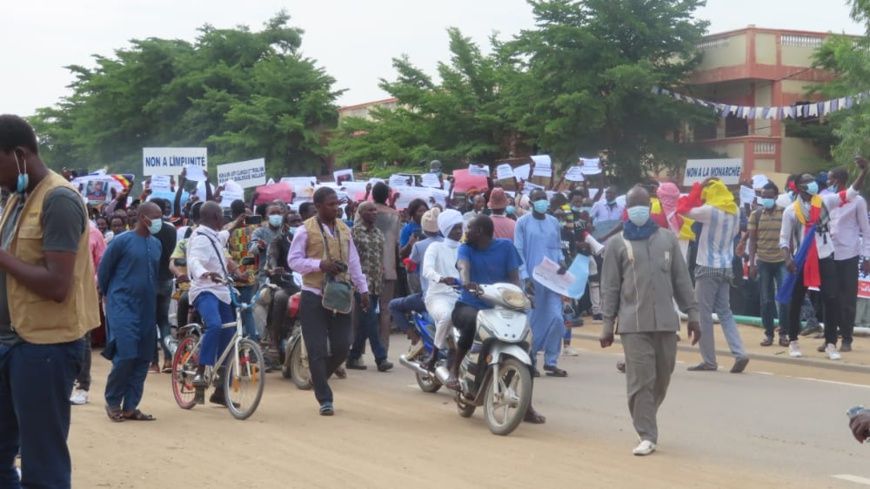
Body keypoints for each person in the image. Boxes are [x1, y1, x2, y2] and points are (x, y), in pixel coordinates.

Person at [0, 115, 100, 488]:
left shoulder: (58, 200)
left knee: (43, 465)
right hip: (11, 341)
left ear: (20, 154)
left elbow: (57, 284)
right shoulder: (17, 197)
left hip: (44, 348)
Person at [599, 186, 701, 456]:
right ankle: (647, 433)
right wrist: (607, 324)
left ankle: (646, 415)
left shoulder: (667, 239)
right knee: (641, 380)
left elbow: (681, 280)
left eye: (643, 204)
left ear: (651, 206)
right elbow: (610, 287)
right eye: (634, 205)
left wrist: (693, 314)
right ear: (627, 210)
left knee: (662, 377)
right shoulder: (616, 244)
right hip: (633, 324)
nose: (639, 209)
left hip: (667, 322)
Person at [453, 215, 546, 423]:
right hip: (471, 304)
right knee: (470, 324)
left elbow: (514, 277)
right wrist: (467, 283)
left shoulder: (506, 247)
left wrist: (521, 296)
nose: (466, 231)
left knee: (525, 346)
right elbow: (463, 267)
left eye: (471, 228)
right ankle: (454, 370)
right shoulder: (466, 248)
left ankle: (527, 406)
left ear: (483, 232)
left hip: (501, 305)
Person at [288, 187, 370, 415]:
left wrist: (363, 290)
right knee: (316, 349)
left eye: (337, 204)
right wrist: (319, 265)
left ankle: (319, 377)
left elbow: (353, 262)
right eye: (331, 204)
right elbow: (293, 261)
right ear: (318, 206)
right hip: (313, 293)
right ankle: (325, 398)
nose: (336, 208)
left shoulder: (344, 229)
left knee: (343, 346)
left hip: (340, 293)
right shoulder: (305, 230)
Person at [778, 163, 868, 359]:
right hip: (801, 259)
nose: (812, 185)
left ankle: (830, 344)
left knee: (832, 299)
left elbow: (850, 193)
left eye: (813, 182)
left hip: (825, 256)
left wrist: (863, 172)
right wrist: (788, 259)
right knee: (796, 300)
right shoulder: (791, 211)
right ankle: (793, 341)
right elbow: (784, 240)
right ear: (799, 187)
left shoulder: (825, 202)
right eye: (807, 182)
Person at [99, 202, 163, 422]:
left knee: (144, 358)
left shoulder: (156, 244)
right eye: (156, 217)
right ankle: (113, 401)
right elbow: (104, 270)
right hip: (122, 305)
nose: (159, 222)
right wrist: (109, 296)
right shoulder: (121, 241)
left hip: (147, 308)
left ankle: (130, 406)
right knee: (126, 354)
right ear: (143, 217)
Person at [677, 178, 748, 373]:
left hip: (707, 267)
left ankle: (709, 360)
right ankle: (740, 352)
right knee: (725, 312)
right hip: (726, 267)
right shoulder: (735, 211)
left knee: (703, 315)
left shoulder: (709, 211)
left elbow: (682, 208)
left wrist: (696, 190)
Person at [188, 202, 243, 406]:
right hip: (205, 290)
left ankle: (221, 390)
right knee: (214, 325)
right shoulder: (201, 239)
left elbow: (225, 234)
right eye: (222, 215)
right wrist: (205, 273)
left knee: (229, 337)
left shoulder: (214, 235)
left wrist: (237, 223)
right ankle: (200, 373)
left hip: (222, 292)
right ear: (214, 217)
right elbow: (194, 260)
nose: (224, 219)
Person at [515, 189, 567, 377]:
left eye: (544, 198)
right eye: (538, 199)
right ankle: (530, 359)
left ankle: (551, 361)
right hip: (532, 279)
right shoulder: (522, 223)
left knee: (557, 319)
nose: (542, 202)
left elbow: (558, 247)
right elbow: (518, 250)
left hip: (552, 279)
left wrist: (562, 263)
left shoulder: (553, 222)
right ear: (531, 203)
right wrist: (524, 276)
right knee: (532, 322)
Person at [821, 166, 870, 353]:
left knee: (847, 300)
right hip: (829, 254)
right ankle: (830, 339)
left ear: (838, 180)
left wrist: (867, 257)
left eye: (830, 179)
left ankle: (847, 339)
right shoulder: (826, 200)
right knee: (829, 298)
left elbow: (866, 231)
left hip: (850, 254)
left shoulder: (858, 201)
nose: (828, 183)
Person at [348, 202, 393, 372]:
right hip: (360, 283)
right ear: (361, 213)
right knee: (371, 319)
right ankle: (380, 358)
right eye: (370, 210)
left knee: (366, 322)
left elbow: (380, 257)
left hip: (375, 282)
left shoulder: (378, 233)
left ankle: (353, 356)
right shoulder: (354, 233)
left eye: (375, 210)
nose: (375, 213)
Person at [389, 209, 441, 346]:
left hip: (427, 296)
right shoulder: (449, 244)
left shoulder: (419, 245)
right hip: (448, 295)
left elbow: (410, 267)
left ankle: (414, 338)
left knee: (393, 305)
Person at [747, 182, 789, 347]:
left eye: (769, 197)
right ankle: (769, 334)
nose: (766, 199)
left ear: (776, 197)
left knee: (784, 299)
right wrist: (752, 263)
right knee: (766, 300)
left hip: (782, 261)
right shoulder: (755, 214)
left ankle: (784, 333)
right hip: (763, 261)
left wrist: (790, 259)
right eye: (763, 197)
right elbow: (752, 240)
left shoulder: (785, 213)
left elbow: (790, 237)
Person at [71, 220, 108, 406]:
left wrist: (93, 283)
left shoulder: (94, 234)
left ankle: (82, 387)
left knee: (83, 340)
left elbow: (102, 264)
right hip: (60, 294)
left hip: (86, 293)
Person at [422, 209, 464, 370]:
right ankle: (434, 354)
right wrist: (441, 278)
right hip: (438, 297)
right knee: (447, 316)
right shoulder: (436, 247)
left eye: (460, 227)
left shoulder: (465, 249)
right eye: (455, 228)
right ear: (446, 229)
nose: (459, 231)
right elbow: (427, 270)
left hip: (461, 297)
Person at [149, 198, 177, 373]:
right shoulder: (171, 229)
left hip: (150, 280)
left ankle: (153, 363)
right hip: (166, 279)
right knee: (164, 320)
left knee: (150, 322)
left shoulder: (148, 229)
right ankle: (168, 360)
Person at [371, 182, 400, 350]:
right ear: (387, 196)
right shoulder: (395, 215)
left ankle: (356, 348)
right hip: (389, 267)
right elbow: (396, 241)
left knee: (362, 309)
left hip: (368, 268)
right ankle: (383, 349)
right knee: (385, 310)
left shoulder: (365, 210)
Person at [226, 199, 258, 342]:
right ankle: (252, 342)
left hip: (233, 275)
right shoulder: (255, 228)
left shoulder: (227, 229)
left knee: (233, 314)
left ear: (232, 212)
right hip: (250, 275)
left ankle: (235, 343)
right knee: (247, 311)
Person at [251, 203, 285, 289]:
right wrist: (259, 246)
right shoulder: (259, 232)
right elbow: (252, 249)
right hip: (265, 277)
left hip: (286, 276)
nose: (276, 215)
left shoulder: (287, 231)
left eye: (278, 213)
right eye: (272, 213)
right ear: (266, 216)